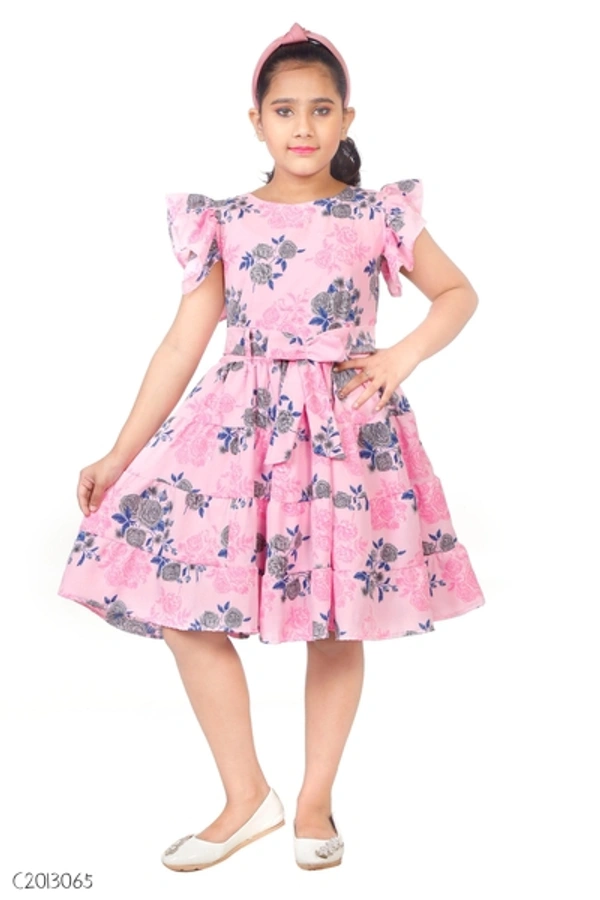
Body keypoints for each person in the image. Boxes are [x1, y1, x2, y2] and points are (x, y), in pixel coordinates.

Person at [57, 22, 485, 872]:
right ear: (255, 121)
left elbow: (458, 293)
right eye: (284, 110)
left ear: (347, 118)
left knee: (336, 618)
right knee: (182, 604)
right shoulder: (224, 222)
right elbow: (181, 345)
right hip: (235, 434)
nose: (303, 126)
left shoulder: (377, 212)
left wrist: (399, 357)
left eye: (321, 109)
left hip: (343, 436)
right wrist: (117, 453)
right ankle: (246, 794)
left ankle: (315, 800)